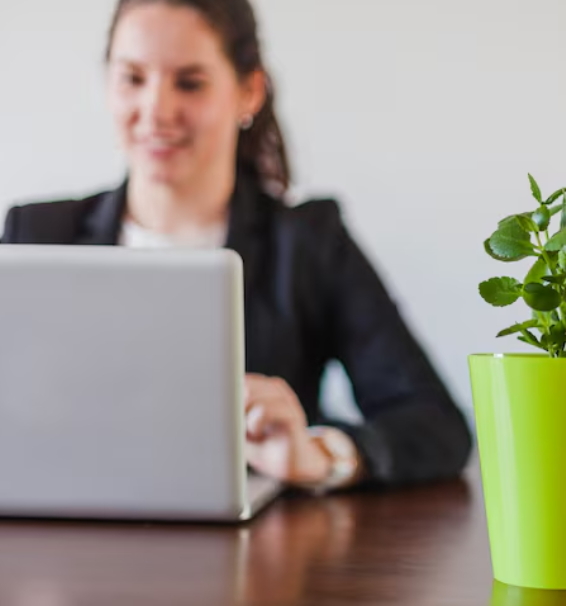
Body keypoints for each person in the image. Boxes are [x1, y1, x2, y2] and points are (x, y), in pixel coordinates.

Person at [0, 0, 471, 492]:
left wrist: (320, 455)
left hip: (254, 555)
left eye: (190, 82)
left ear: (249, 92)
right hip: (56, 547)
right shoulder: (34, 234)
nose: (156, 110)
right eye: (132, 78)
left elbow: (435, 422)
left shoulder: (308, 242)